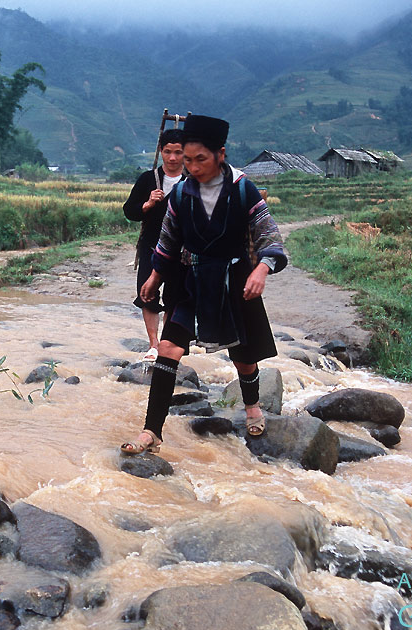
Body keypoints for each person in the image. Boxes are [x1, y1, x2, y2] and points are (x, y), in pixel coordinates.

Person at [121, 114, 287, 454]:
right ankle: (152, 430)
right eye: (188, 160)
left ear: (220, 155)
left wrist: (262, 269)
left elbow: (270, 238)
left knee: (244, 357)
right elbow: (167, 242)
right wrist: (154, 278)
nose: (193, 167)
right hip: (190, 279)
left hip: (233, 281)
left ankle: (253, 406)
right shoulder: (181, 194)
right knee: (167, 349)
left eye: (200, 159)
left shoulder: (242, 188)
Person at [122, 129, 187, 362]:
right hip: (151, 246)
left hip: (181, 251)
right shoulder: (148, 179)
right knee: (147, 294)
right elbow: (129, 211)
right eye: (167, 152)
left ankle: (168, 342)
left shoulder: (192, 182)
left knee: (174, 296)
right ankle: (154, 344)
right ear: (161, 151)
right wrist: (148, 204)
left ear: (185, 153)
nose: (172, 158)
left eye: (178, 152)